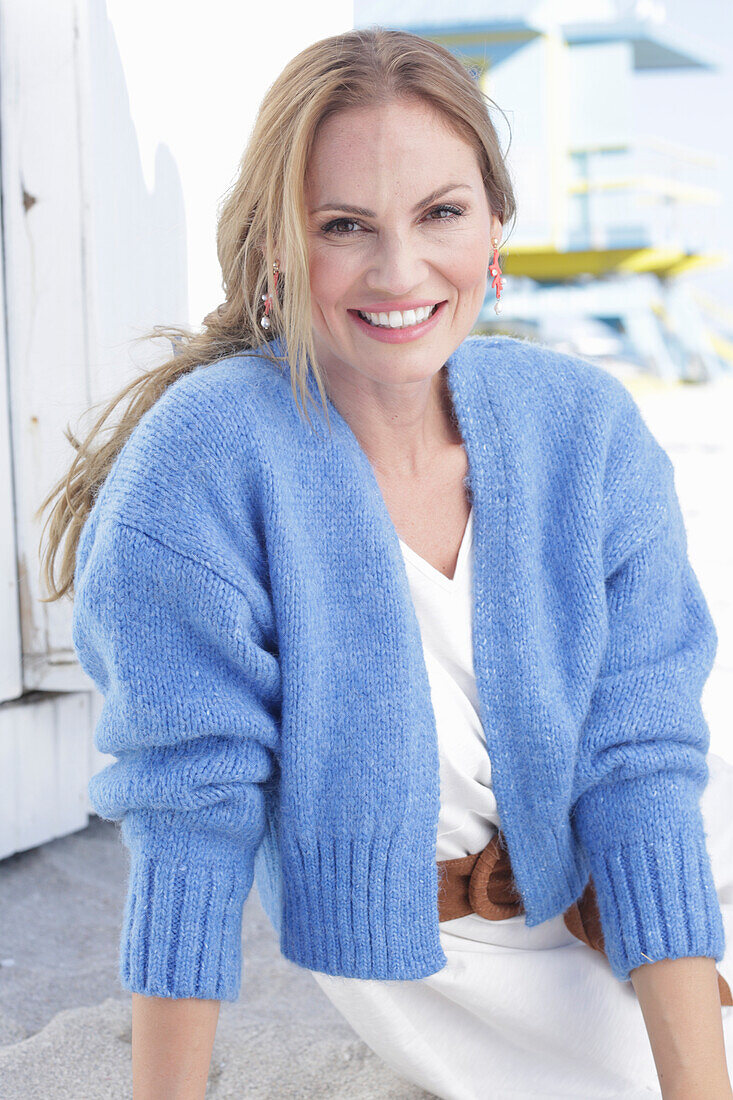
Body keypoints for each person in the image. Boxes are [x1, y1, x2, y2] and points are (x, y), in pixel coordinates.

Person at [36, 25, 733, 1100]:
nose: (400, 270)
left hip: (651, 911)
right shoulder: (205, 461)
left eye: (441, 213)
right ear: (279, 246)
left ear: (495, 226)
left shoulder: (585, 428)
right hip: (443, 976)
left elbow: (639, 772)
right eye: (345, 226)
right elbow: (190, 815)